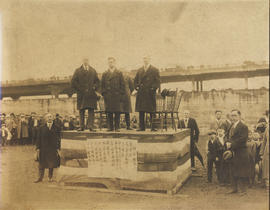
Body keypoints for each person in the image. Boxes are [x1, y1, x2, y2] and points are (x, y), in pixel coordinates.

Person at [71, 58, 100, 132]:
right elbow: (73, 82)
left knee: (91, 110)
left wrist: (94, 87)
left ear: (89, 61)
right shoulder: (77, 71)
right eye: (84, 60)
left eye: (87, 60)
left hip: (91, 94)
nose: (85, 61)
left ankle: (91, 126)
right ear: (82, 61)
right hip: (81, 94)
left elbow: (97, 81)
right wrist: (79, 89)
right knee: (81, 110)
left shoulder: (93, 70)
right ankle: (81, 126)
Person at [226, 109, 250, 195]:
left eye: (235, 115)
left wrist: (231, 144)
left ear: (239, 116)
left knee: (241, 171)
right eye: (231, 115)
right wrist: (227, 142)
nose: (233, 117)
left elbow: (242, 139)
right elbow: (228, 136)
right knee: (232, 170)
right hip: (232, 152)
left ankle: (242, 190)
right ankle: (234, 188)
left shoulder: (243, 126)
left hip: (241, 152)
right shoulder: (231, 126)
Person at [134, 56, 160, 131]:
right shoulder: (139, 70)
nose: (145, 60)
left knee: (152, 110)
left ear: (150, 59)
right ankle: (142, 127)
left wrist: (153, 88)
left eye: (147, 58)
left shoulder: (154, 70)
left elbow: (157, 81)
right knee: (141, 110)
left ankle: (153, 127)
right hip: (141, 92)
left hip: (150, 93)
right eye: (144, 58)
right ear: (143, 60)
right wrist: (136, 87)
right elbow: (135, 81)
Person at [34, 113, 61, 183]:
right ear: (45, 119)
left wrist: (58, 148)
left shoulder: (57, 127)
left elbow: (59, 138)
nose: (49, 118)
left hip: (52, 149)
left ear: (53, 118)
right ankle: (40, 178)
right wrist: (37, 148)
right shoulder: (41, 127)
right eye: (48, 117)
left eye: (51, 117)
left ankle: (50, 178)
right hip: (43, 148)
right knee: (41, 164)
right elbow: (38, 138)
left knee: (51, 164)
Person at [101, 57, 125, 132]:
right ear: (108, 63)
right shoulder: (105, 73)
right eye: (109, 62)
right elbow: (102, 85)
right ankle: (110, 127)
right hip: (108, 95)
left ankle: (117, 127)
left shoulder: (119, 73)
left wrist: (121, 94)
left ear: (114, 63)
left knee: (117, 111)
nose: (110, 63)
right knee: (109, 112)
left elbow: (122, 84)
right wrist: (104, 94)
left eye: (112, 62)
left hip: (117, 95)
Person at [259, 117, 269, 190]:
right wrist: (261, 152)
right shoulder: (267, 129)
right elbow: (264, 141)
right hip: (267, 150)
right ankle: (267, 184)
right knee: (267, 167)